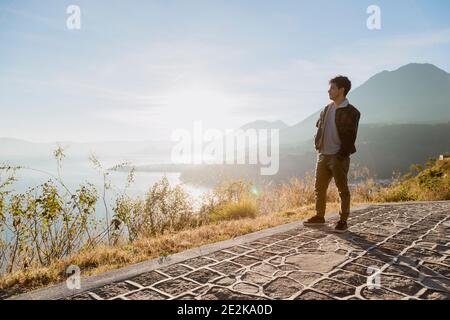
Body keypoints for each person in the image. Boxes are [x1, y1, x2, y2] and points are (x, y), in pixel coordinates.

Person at [304, 76, 361, 233]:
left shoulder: (351, 112)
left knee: (342, 189)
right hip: (323, 155)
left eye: (332, 88)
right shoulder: (326, 109)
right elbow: (320, 127)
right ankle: (319, 216)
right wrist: (318, 146)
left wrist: (341, 155)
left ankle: (343, 220)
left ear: (341, 90)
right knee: (319, 188)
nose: (329, 91)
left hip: (338, 156)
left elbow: (351, 136)